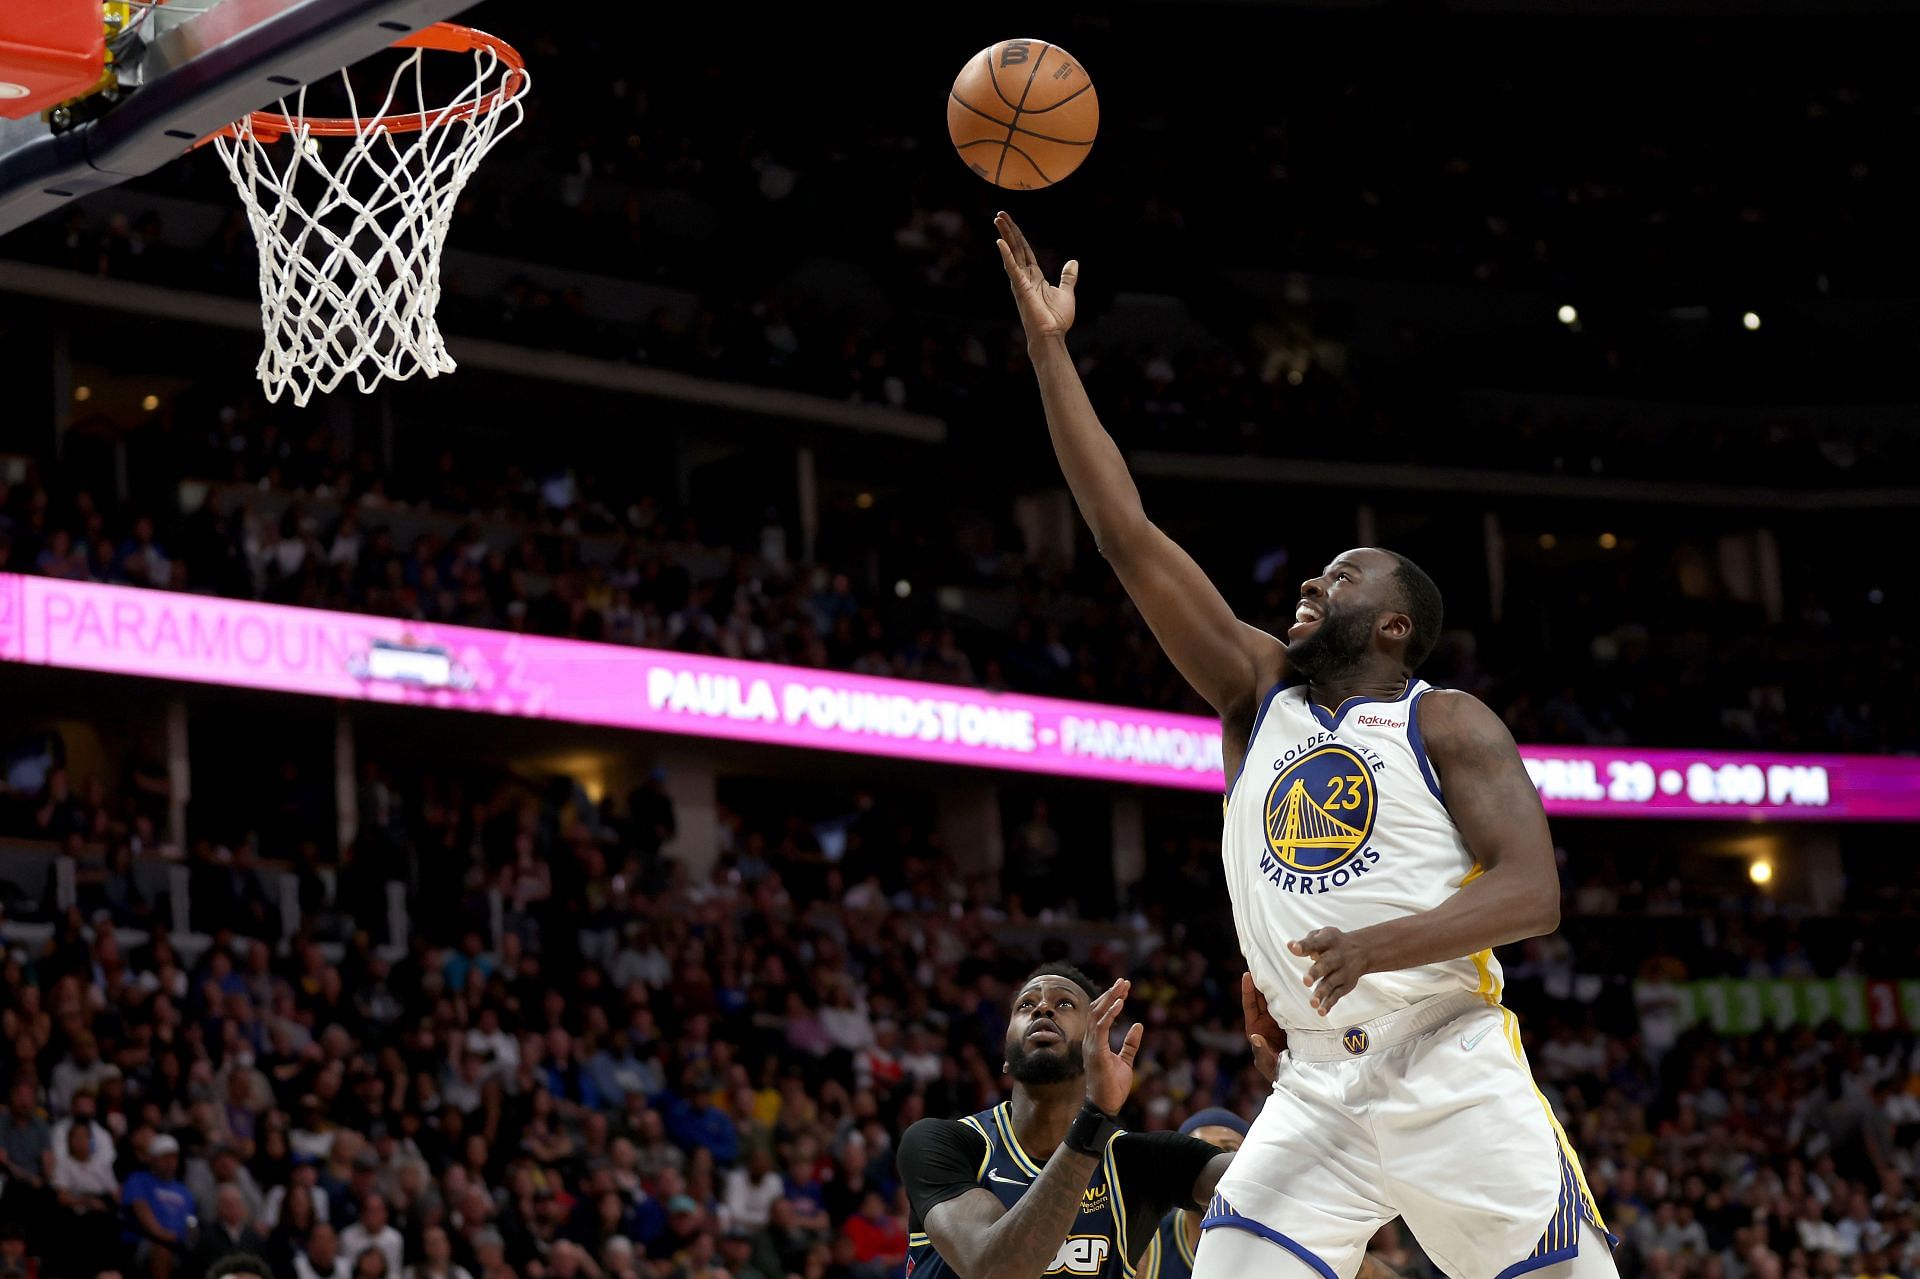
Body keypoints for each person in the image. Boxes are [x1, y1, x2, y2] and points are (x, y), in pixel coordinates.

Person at [995, 210, 1616, 1279]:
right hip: (1316, 1083)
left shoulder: (1448, 720)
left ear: (1393, 626)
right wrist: (1051, 350)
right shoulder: (1253, 690)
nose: (1309, 584)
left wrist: (1375, 945)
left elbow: (1534, 893)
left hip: (1451, 1061)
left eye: (1341, 577)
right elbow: (1124, 533)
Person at [897, 964, 1236, 1279]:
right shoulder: (944, 1143)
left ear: (1095, 1047)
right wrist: (1096, 1117)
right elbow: (995, 1270)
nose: (1042, 1008)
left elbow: (1261, 1183)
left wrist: (1289, 1078)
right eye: (1025, 1005)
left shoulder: (1138, 1160)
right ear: (1005, 1057)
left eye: (1065, 1004)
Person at [123, 1132, 196, 1279]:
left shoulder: (184, 1191)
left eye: (174, 1157)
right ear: (153, 1159)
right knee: (161, 1249)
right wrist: (164, 1235)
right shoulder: (138, 1180)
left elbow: (191, 1222)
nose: (171, 1162)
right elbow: (141, 1210)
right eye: (165, 1157)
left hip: (179, 1244)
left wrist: (188, 1237)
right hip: (144, 1240)